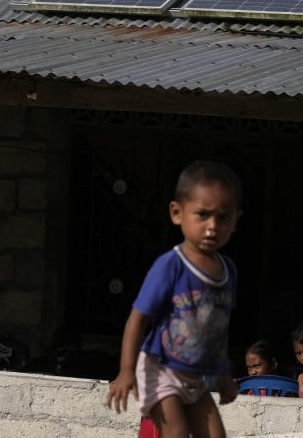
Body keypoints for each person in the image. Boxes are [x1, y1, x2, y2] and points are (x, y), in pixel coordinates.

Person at [105, 161, 243, 438]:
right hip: (159, 371)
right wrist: (126, 370)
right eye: (202, 215)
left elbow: (217, 329)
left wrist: (224, 373)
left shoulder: (228, 271)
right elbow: (137, 319)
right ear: (177, 213)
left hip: (196, 378)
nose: (212, 226)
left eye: (223, 217)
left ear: (236, 220)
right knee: (176, 434)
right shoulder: (171, 265)